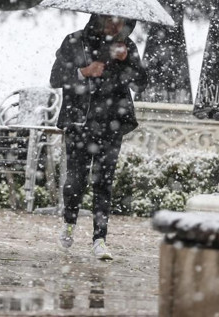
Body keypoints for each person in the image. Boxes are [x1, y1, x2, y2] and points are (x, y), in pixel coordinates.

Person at [50, 14, 147, 260]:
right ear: (98, 18)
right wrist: (84, 72)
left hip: (112, 123)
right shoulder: (75, 42)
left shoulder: (126, 46)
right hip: (79, 121)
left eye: (121, 22)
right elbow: (55, 78)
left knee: (104, 181)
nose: (115, 26)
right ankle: (69, 222)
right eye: (110, 20)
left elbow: (141, 84)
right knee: (75, 180)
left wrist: (126, 62)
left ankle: (100, 238)